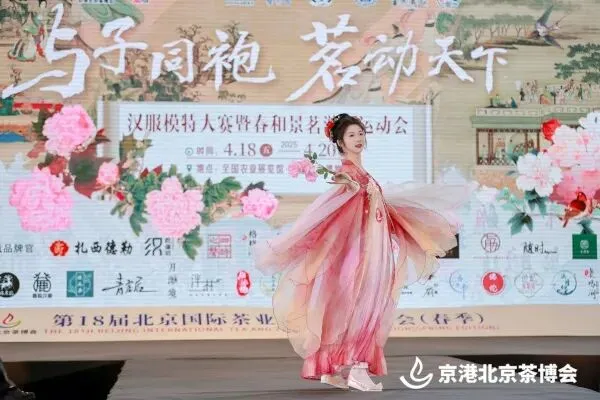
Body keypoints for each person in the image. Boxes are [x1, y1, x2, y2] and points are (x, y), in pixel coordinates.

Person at [254, 113, 474, 391]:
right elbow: (339, 204)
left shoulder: (361, 173)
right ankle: (357, 369)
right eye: (351, 135)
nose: (358, 139)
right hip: (363, 252)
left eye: (360, 133)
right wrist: (351, 186)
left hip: (372, 248)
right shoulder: (348, 174)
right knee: (365, 304)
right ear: (340, 142)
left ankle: (331, 368)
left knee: (351, 305)